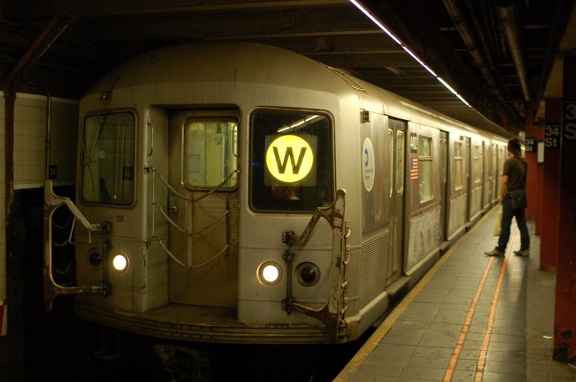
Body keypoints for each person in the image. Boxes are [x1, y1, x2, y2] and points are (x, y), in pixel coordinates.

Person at [485, 138, 530, 257]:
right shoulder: (524, 162)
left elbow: (505, 180)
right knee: (522, 223)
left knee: (506, 223)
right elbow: (525, 180)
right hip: (521, 194)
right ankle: (525, 249)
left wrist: (501, 196)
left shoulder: (509, 162)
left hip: (510, 196)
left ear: (509, 149)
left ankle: (500, 249)